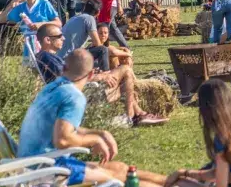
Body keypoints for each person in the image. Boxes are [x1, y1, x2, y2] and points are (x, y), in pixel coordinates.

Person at [16, 49, 169, 187]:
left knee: (120, 168)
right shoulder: (74, 96)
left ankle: (171, 181)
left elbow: (61, 127)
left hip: (34, 162)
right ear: (90, 75)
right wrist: (93, 140)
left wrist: (100, 133)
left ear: (63, 67)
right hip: (46, 169)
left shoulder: (51, 88)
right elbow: (63, 139)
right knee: (120, 179)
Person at [34, 24, 166, 126]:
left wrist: (94, 73)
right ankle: (132, 116)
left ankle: (138, 114)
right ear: (47, 40)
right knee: (125, 69)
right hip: (86, 94)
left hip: (82, 91)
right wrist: (99, 77)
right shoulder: (46, 57)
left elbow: (71, 76)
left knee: (125, 77)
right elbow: (67, 81)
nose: (63, 38)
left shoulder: (50, 57)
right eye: (59, 36)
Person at [59, 0, 111, 71]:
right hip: (69, 58)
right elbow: (98, 44)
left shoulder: (75, 17)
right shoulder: (89, 19)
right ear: (98, 12)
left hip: (60, 57)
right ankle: (106, 76)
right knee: (103, 50)